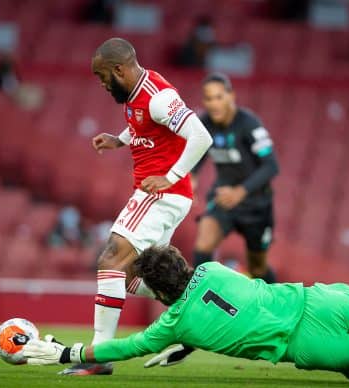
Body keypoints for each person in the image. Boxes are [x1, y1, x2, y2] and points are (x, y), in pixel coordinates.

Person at [22, 245, 349, 380]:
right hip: (319, 301)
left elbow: (125, 346)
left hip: (305, 346)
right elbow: (223, 302)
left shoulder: (171, 324)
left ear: (158, 290)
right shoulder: (211, 269)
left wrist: (69, 354)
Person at [59, 37, 212, 376]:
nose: (101, 84)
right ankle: (197, 313)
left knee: (110, 258)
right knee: (130, 275)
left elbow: (201, 136)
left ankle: (98, 356)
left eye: (102, 77)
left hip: (160, 193)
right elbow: (143, 123)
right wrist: (120, 139)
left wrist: (170, 176)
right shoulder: (136, 95)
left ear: (118, 69)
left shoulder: (158, 97)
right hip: (163, 195)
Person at [192, 73, 279, 282]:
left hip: (256, 204)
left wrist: (240, 192)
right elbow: (196, 156)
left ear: (231, 96)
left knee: (258, 268)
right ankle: (204, 302)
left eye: (219, 97)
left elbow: (271, 166)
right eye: (209, 99)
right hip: (223, 198)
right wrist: (190, 178)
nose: (214, 104)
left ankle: (279, 305)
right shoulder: (204, 124)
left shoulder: (249, 124)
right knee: (202, 245)